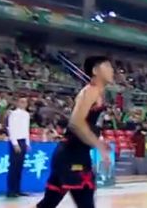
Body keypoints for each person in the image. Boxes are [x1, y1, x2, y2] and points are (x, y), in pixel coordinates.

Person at [36, 56, 113, 208]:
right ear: (95, 71)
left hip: (73, 153)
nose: (112, 70)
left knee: (48, 204)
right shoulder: (90, 91)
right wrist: (99, 145)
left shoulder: (99, 94)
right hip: (72, 155)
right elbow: (76, 123)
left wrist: (99, 141)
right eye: (107, 66)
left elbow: (89, 123)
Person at [6, 97, 30, 198]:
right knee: (14, 166)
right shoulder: (13, 114)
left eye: (25, 102)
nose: (23, 104)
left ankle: (17, 189)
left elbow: (26, 129)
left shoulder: (27, 114)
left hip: (23, 141)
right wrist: (15, 143)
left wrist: (27, 143)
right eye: (21, 102)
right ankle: (11, 190)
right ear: (17, 103)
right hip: (16, 140)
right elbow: (11, 129)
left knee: (20, 166)